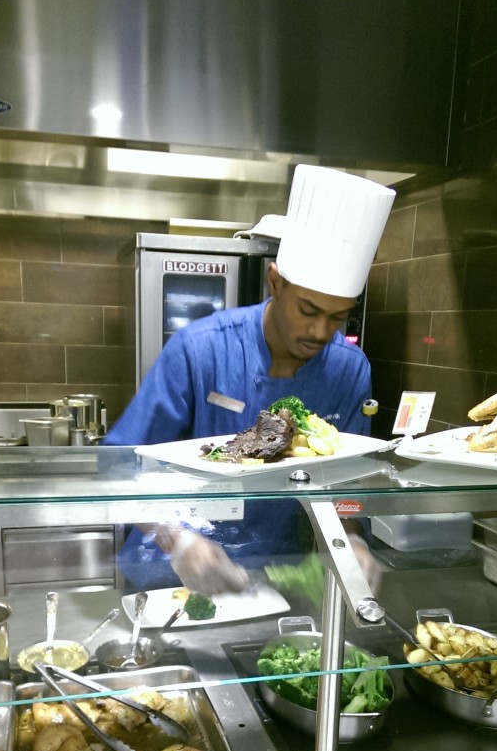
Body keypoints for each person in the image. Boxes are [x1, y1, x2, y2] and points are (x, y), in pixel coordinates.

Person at [103, 166, 395, 597]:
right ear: (274, 282)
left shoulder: (350, 370)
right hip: (173, 576)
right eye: (309, 311)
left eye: (338, 317)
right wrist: (176, 539)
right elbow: (118, 464)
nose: (320, 332)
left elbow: (346, 485)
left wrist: (348, 538)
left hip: (277, 576)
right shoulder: (199, 348)